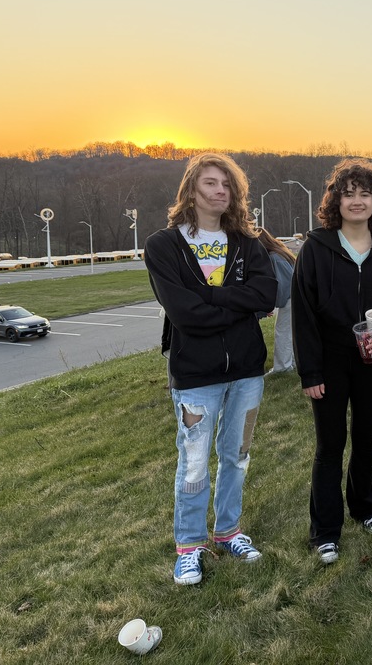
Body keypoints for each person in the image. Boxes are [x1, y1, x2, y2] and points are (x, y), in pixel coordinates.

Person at [144, 153, 278, 586]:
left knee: (237, 455)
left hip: (247, 371)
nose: (220, 191)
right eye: (210, 183)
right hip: (196, 376)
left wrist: (210, 298)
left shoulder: (247, 243)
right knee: (195, 462)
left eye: (227, 185)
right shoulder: (164, 246)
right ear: (191, 190)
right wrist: (236, 304)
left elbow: (266, 295)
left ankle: (228, 532)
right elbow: (185, 314)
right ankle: (189, 546)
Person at [293, 159, 372, 564]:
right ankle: (325, 531)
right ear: (336, 201)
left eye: (365, 194)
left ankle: (365, 507)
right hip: (329, 362)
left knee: (366, 437)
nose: (357, 201)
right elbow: (303, 316)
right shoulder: (316, 249)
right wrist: (311, 371)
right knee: (330, 444)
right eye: (348, 194)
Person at [257, 230, 297, 375]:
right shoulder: (280, 253)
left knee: (283, 332)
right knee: (290, 332)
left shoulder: (275, 257)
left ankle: (282, 367)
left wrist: (273, 305)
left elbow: (284, 285)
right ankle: (292, 363)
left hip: (291, 298)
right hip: (294, 298)